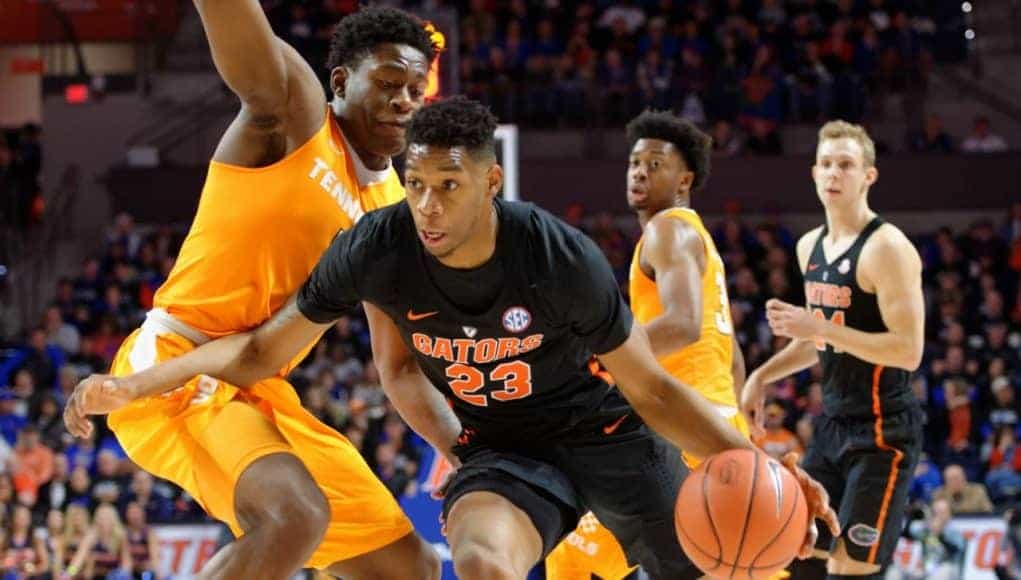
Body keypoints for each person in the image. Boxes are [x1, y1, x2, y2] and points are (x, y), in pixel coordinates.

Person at [68, 97, 839, 580]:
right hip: (504, 447)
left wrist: (762, 464)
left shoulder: (556, 256)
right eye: (416, 185)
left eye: (449, 186)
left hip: (604, 433)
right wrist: (134, 383)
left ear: (489, 182)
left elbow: (650, 386)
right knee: (478, 559)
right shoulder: (378, 247)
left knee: (717, 564)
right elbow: (261, 353)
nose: (428, 206)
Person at [63, 5, 447, 578]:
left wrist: (459, 448)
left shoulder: (393, 213)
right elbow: (247, 45)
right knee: (294, 516)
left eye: (415, 88)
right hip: (179, 365)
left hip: (259, 384)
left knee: (409, 568)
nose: (404, 100)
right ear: (341, 81)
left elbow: (402, 370)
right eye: (389, 83)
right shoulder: (298, 115)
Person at [545, 110, 751, 579]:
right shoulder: (695, 237)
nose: (640, 171)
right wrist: (738, 425)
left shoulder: (667, 230)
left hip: (679, 430)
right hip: (714, 422)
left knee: (572, 552)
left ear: (685, 180)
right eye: (635, 163)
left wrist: (596, 356)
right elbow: (731, 353)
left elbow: (682, 324)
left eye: (655, 164)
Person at [741, 121, 925, 578]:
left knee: (849, 570)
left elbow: (908, 350)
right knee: (800, 557)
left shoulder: (887, 248)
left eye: (845, 164)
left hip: (883, 434)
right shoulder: (810, 247)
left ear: (869, 176)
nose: (833, 174)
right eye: (826, 164)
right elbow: (821, 339)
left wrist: (816, 325)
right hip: (831, 428)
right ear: (813, 173)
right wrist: (761, 376)